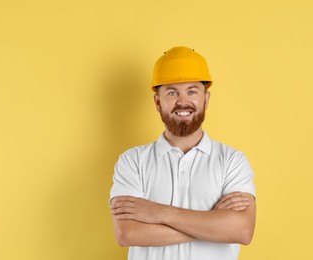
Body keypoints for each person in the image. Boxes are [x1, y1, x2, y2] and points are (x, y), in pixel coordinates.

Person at [110, 46, 256, 260]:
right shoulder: (132, 162)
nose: (182, 101)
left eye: (192, 91)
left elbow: (242, 231)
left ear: (206, 99)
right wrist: (214, 224)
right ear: (157, 102)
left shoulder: (232, 161)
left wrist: (159, 213)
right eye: (172, 92)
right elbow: (127, 233)